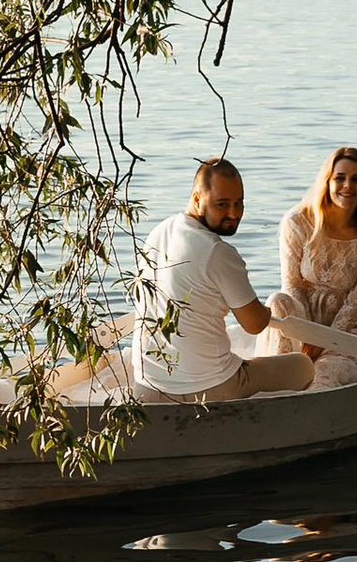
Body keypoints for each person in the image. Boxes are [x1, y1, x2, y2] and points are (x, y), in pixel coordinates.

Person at [130, 160, 315, 398]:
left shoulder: (159, 231)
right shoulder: (217, 252)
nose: (234, 213)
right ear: (197, 198)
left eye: (239, 202)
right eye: (222, 204)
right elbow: (254, 325)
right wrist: (266, 311)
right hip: (207, 389)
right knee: (303, 365)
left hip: (146, 385)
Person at [271, 144, 357, 387]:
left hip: (347, 330)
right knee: (277, 300)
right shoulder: (298, 222)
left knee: (323, 375)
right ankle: (279, 378)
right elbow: (292, 285)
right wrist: (308, 335)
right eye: (340, 178)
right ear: (327, 182)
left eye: (356, 179)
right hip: (302, 320)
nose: (348, 185)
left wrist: (323, 341)